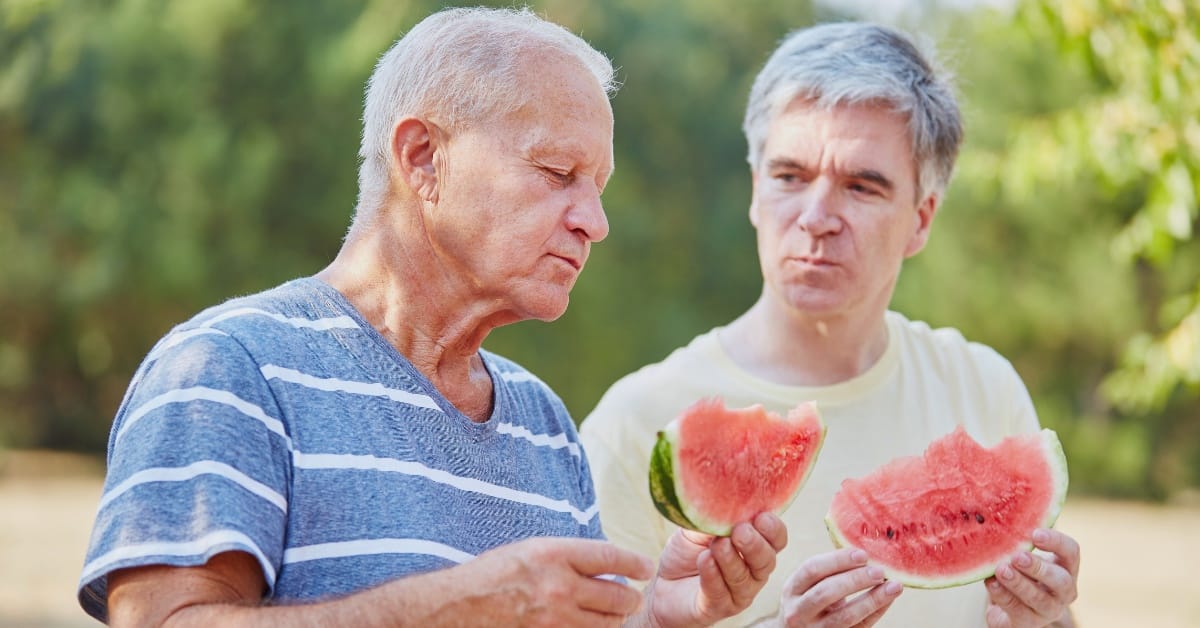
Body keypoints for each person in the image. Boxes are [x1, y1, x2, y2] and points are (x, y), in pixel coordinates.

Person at [77, 7, 788, 626]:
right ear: (422, 158)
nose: (595, 222)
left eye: (598, 187)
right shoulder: (228, 368)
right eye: (556, 173)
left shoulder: (545, 427)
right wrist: (448, 609)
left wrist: (659, 619)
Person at [580, 21, 1080, 628]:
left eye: (861, 186)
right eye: (789, 176)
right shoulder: (636, 424)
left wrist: (1046, 619)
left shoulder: (985, 389)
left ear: (921, 219)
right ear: (755, 193)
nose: (816, 216)